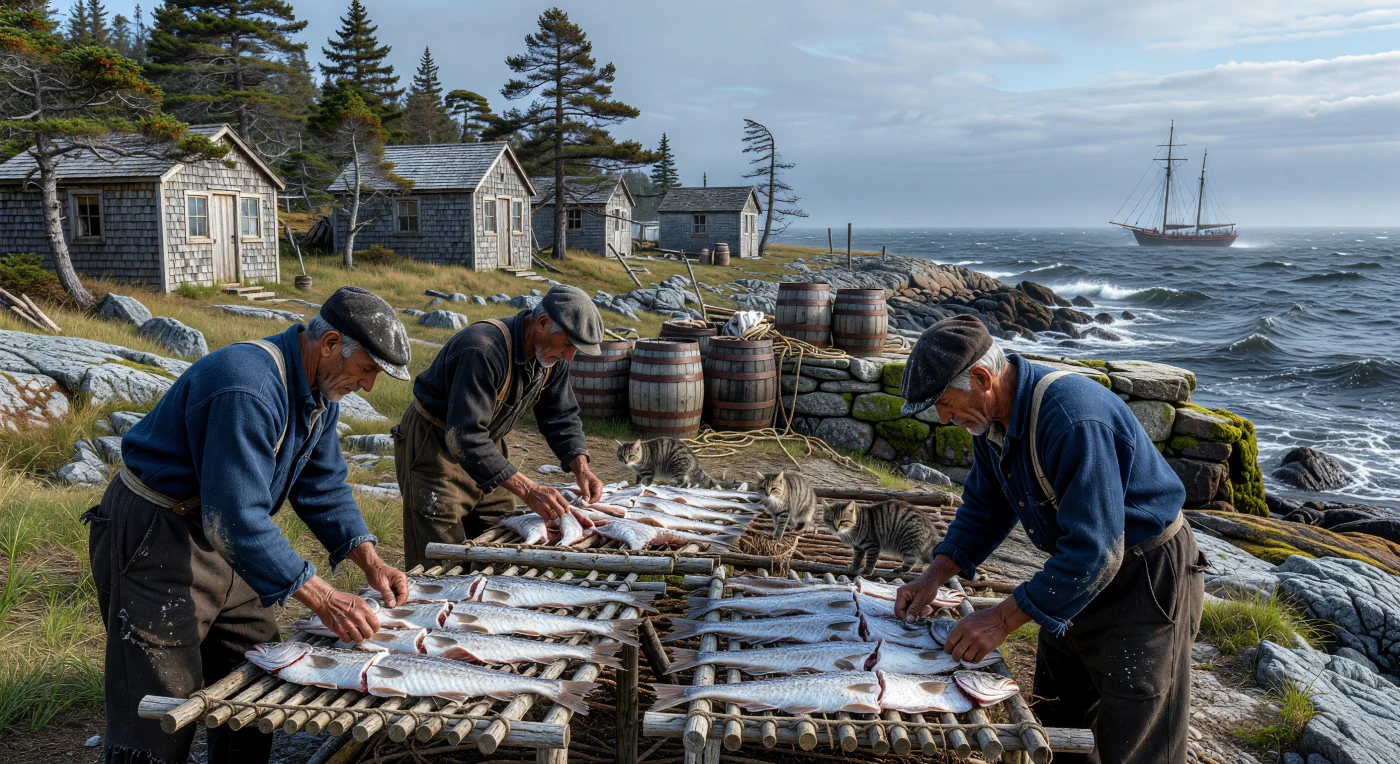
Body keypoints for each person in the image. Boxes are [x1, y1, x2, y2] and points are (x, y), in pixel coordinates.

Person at [85, 286, 413, 764]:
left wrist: (370, 560)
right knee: (159, 699)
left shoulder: (318, 392)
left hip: (221, 535)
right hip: (160, 533)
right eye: (366, 370)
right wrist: (322, 597)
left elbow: (322, 484)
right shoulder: (248, 386)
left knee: (254, 674)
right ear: (329, 343)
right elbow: (236, 519)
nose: (368, 386)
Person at [892, 315, 1206, 764]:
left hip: (1145, 579)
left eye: (945, 402)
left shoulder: (1071, 419)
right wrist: (934, 577)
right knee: (1060, 714)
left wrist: (1000, 620)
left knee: (1136, 734)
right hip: (1077, 572)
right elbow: (985, 507)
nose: (943, 418)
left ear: (983, 377)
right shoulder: (990, 419)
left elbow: (1098, 550)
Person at [397, 284, 606, 569]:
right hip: (436, 447)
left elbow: (560, 414)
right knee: (441, 555)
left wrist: (580, 465)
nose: (570, 357)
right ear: (543, 323)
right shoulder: (483, 349)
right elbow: (464, 436)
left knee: (503, 537)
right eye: (569, 345)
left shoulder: (553, 356)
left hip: (486, 444)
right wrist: (529, 489)